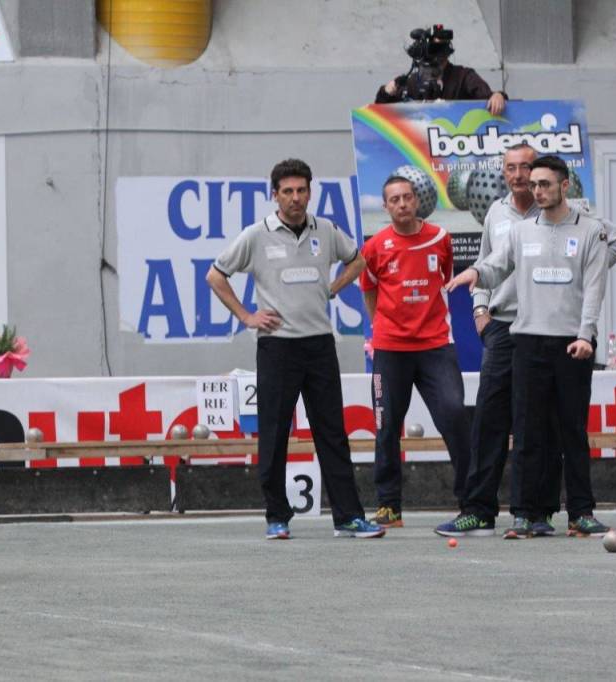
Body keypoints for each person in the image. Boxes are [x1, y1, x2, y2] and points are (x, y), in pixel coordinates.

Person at [436, 145, 616, 538]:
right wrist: (474, 275)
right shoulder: (521, 228)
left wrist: (585, 334)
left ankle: (579, 513)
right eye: (532, 182)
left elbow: (593, 288)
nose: (536, 189)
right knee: (525, 429)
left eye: (544, 183)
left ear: (565, 185)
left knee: (572, 430)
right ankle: (523, 515)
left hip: (572, 345)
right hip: (524, 340)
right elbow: (496, 263)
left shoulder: (590, 229)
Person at [206, 159, 384, 540]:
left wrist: (332, 289)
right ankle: (277, 516)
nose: (295, 198)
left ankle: (348, 517)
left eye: (301, 190)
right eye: (287, 191)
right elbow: (215, 276)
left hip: (319, 344)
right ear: (275, 195)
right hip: (277, 348)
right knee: (273, 433)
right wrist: (246, 316)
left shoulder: (327, 230)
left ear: (310, 192)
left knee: (331, 432)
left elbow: (358, 260)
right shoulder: (256, 235)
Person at [360, 175, 470, 528]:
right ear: (386, 205)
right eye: (395, 199)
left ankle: (472, 503)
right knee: (385, 425)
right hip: (390, 350)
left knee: (454, 415)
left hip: (436, 345)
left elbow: (444, 281)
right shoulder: (375, 246)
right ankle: (389, 506)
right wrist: (380, 330)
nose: (403, 204)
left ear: (417, 201)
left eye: (408, 197)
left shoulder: (441, 238)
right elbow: (369, 291)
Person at [375, 24, 506, 116]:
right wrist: (386, 92)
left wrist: (498, 96)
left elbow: (489, 96)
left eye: (441, 57)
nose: (436, 62)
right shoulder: (412, 81)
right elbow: (379, 112)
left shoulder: (464, 76)